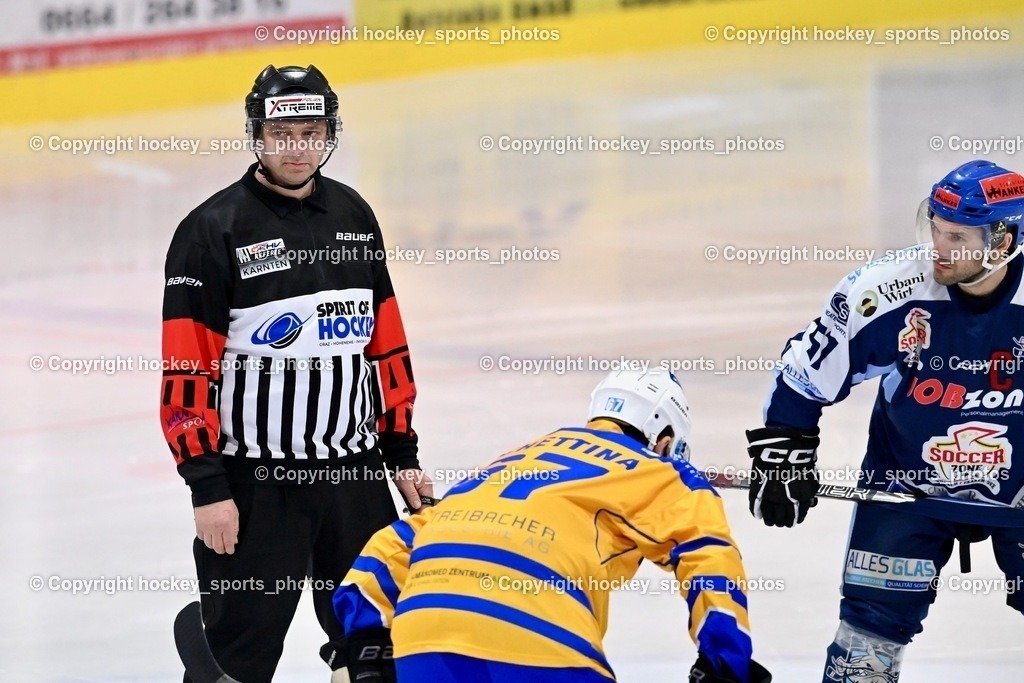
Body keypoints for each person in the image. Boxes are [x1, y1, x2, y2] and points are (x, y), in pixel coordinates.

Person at [160, 64, 433, 682]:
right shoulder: (212, 230)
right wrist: (206, 485)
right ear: (258, 133)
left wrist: (402, 452)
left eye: (310, 129)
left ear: (329, 132)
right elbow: (186, 370)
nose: (297, 145)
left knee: (376, 647)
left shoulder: (354, 215)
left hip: (354, 479)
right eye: (283, 130)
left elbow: (384, 344)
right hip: (256, 486)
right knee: (238, 662)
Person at [746, 160, 1024, 682]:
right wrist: (785, 452)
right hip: (905, 485)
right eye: (935, 229)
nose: (939, 248)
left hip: (1021, 486)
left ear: (1003, 240)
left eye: (957, 237)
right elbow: (805, 373)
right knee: (864, 649)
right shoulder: (887, 291)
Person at [324, 369, 772, 683]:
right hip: (539, 641)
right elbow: (709, 557)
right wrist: (726, 664)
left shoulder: (514, 460)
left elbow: (396, 541)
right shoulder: (662, 471)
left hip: (426, 640)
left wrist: (364, 639)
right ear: (665, 440)